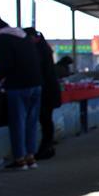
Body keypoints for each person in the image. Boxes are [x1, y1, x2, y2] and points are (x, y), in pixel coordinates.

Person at [0, 12, 42, 170]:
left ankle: (20, 160)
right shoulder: (22, 35)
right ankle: (31, 157)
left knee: (18, 123)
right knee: (31, 122)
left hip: (18, 85)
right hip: (36, 83)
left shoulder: (1, 39)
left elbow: (6, 64)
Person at [23, 28, 61, 160]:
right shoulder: (44, 48)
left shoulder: (39, 50)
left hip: (46, 90)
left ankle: (46, 147)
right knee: (46, 120)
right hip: (48, 89)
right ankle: (47, 147)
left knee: (45, 120)